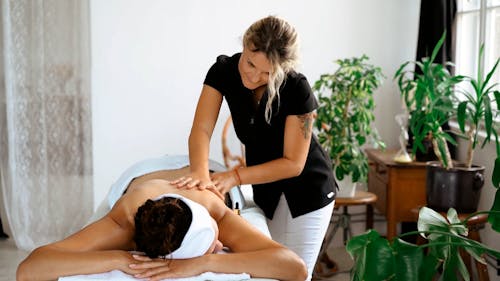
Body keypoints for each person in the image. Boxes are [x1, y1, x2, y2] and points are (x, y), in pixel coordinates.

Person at [172, 15, 337, 281]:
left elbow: (293, 163)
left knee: (295, 273)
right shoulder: (223, 71)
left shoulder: (297, 88)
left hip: (309, 190)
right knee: (267, 272)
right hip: (267, 189)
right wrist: (200, 175)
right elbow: (202, 129)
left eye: (267, 72)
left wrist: (234, 176)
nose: (254, 75)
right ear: (245, 43)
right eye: (250, 63)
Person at [16, 160, 307, 281]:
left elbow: (294, 267)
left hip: (204, 171)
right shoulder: (124, 223)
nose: (220, 244)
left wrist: (206, 261)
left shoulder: (216, 212)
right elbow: (30, 269)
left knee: (206, 168)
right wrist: (117, 259)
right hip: (140, 176)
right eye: (214, 247)